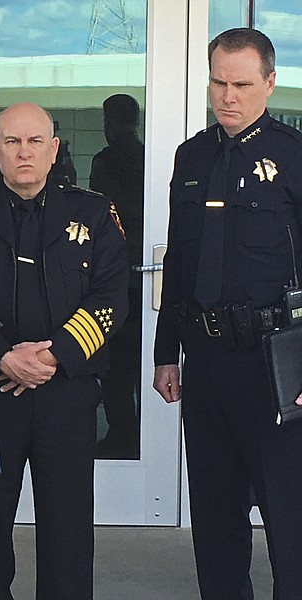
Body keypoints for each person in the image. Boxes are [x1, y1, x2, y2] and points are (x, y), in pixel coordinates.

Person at [0, 102, 129, 599]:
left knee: (68, 529)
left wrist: (53, 356)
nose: (24, 152)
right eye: (12, 142)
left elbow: (113, 296)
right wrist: (2, 355)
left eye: (35, 142)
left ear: (54, 150)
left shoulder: (94, 212)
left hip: (66, 394)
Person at [153, 28, 302, 599]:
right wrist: (168, 353)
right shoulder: (191, 157)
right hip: (208, 358)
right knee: (215, 518)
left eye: (242, 83)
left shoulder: (291, 157)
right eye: (218, 82)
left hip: (274, 365)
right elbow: (181, 262)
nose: (228, 96)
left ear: (269, 83)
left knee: (288, 521)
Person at [90, 94, 145, 458]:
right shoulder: (151, 156)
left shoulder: (107, 161)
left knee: (116, 369)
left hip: (117, 273)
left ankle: (123, 434)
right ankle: (137, 434)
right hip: (144, 276)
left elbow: (99, 213)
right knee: (139, 362)